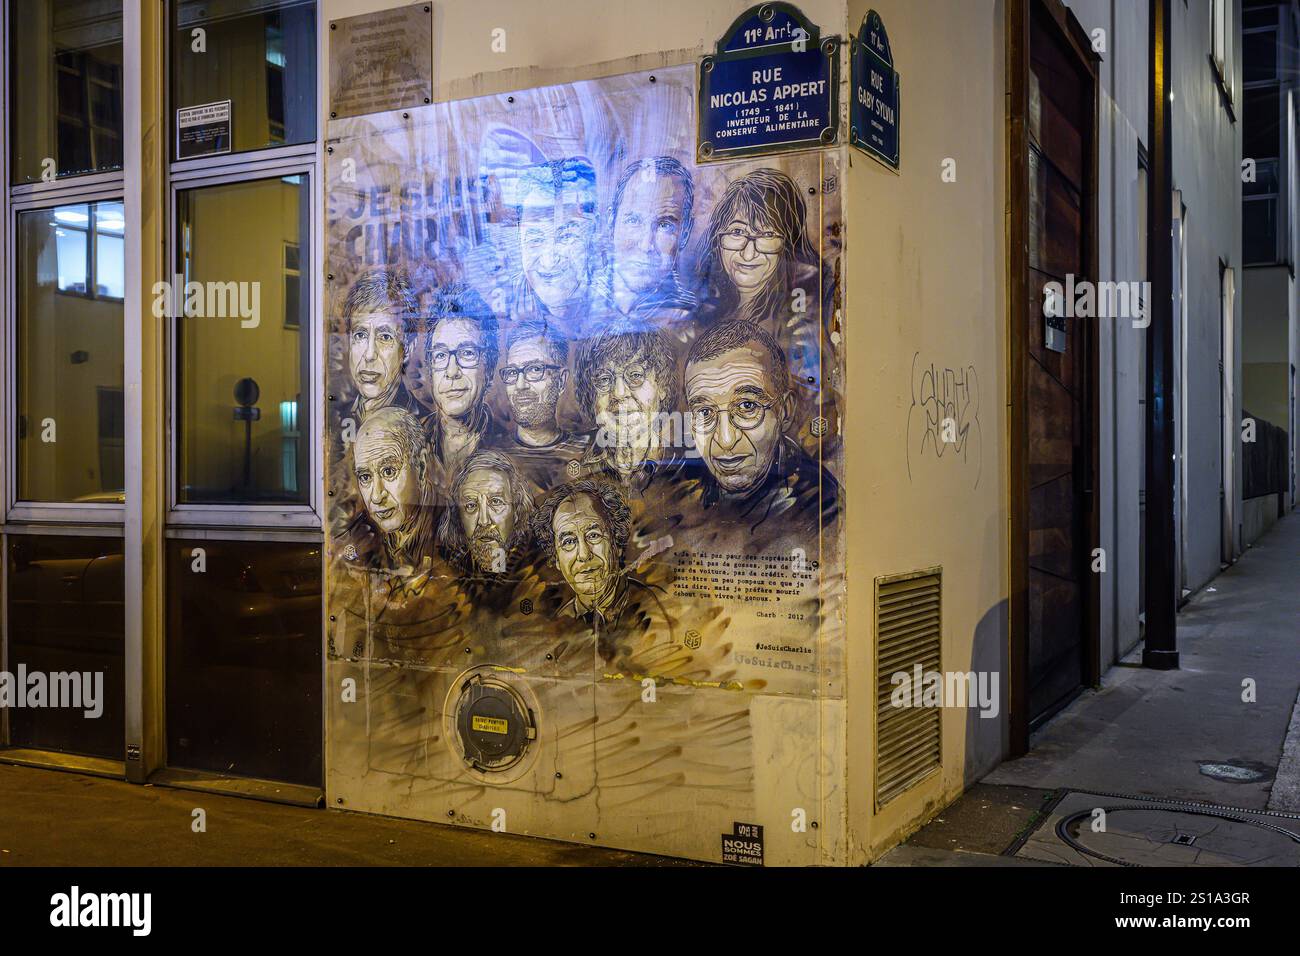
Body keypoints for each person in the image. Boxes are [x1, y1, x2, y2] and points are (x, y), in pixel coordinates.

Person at [681, 320, 838, 546]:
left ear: (784, 411)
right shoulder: (682, 487)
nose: (725, 440)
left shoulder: (821, 508)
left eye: (747, 406)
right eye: (705, 411)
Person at [530, 479, 673, 661]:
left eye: (594, 535)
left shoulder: (653, 612)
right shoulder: (556, 624)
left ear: (617, 544)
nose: (583, 554)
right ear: (556, 559)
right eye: (568, 542)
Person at [572, 323, 685, 497]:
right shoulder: (571, 463)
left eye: (635, 375)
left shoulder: (686, 469)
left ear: (661, 385)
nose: (619, 393)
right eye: (604, 379)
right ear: (590, 395)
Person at [410, 282, 505, 477]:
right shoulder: (411, 441)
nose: (452, 371)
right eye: (440, 355)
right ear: (430, 369)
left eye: (467, 353)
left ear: (488, 367)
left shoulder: (508, 446)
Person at [596, 156, 698, 324]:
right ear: (611, 222)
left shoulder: (692, 316)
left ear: (685, 232)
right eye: (633, 221)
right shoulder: (580, 304)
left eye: (664, 225)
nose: (646, 245)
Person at [493, 319, 591, 488]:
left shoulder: (589, 452)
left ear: (561, 381)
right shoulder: (492, 458)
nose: (520, 385)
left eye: (535, 369)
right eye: (512, 372)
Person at [511, 158, 600, 336]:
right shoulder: (503, 313)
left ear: (593, 237)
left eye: (566, 236)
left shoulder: (612, 310)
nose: (549, 260)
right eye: (535, 239)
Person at [348, 406, 440, 574]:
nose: (376, 496)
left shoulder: (452, 531)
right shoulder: (359, 536)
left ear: (421, 466)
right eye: (365, 477)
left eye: (389, 471)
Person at [437, 450, 535, 579]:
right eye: (471, 505)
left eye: (495, 502)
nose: (484, 521)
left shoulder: (537, 565)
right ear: (458, 516)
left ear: (516, 510)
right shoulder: (445, 569)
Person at [342, 269, 419, 421]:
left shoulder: (423, 425)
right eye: (360, 335)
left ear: (407, 349)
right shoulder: (334, 418)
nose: (369, 355)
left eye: (385, 337)